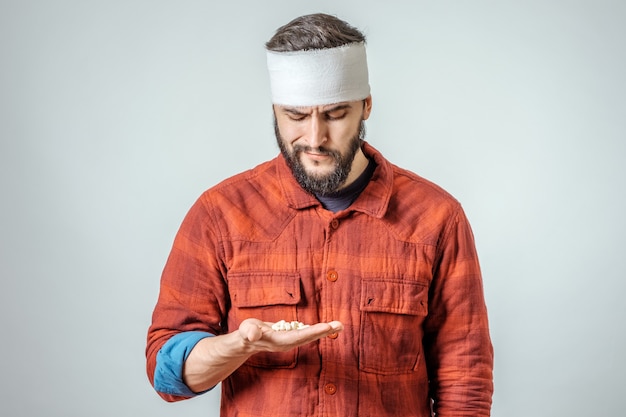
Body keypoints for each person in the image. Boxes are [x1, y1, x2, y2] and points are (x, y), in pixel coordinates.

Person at [146, 13, 494, 417]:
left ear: (365, 106)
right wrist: (240, 344)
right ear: (275, 109)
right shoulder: (220, 214)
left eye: (334, 114)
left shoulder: (437, 217)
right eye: (295, 116)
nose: (314, 138)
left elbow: (464, 379)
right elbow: (166, 374)